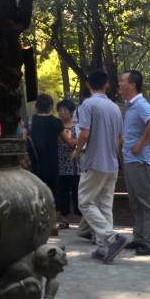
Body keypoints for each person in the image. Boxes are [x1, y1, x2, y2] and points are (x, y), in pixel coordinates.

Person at [71, 69, 126, 264]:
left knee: (85, 202)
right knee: (105, 205)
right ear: (107, 85)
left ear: (88, 85)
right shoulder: (114, 108)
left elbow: (84, 134)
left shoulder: (88, 104)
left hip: (95, 161)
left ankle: (111, 238)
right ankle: (104, 248)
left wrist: (77, 151)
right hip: (111, 163)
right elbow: (121, 139)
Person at [118, 70, 150, 256]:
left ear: (132, 85)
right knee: (136, 202)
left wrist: (140, 144)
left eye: (122, 80)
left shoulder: (141, 104)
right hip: (131, 160)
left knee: (147, 201)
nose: (119, 83)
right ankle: (140, 238)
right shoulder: (130, 106)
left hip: (140, 161)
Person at [27, 94, 63, 210]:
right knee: (52, 191)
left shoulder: (30, 121)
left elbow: (24, 140)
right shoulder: (56, 122)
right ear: (50, 106)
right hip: (52, 164)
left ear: (37, 106)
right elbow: (68, 141)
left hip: (35, 164)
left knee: (36, 192)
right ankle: (52, 223)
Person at [55, 98, 80, 229]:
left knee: (78, 192)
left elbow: (82, 140)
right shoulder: (57, 125)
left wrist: (71, 141)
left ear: (71, 112)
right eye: (60, 110)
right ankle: (64, 220)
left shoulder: (77, 125)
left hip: (76, 165)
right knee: (62, 193)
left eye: (65, 109)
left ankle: (82, 220)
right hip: (61, 164)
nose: (62, 112)